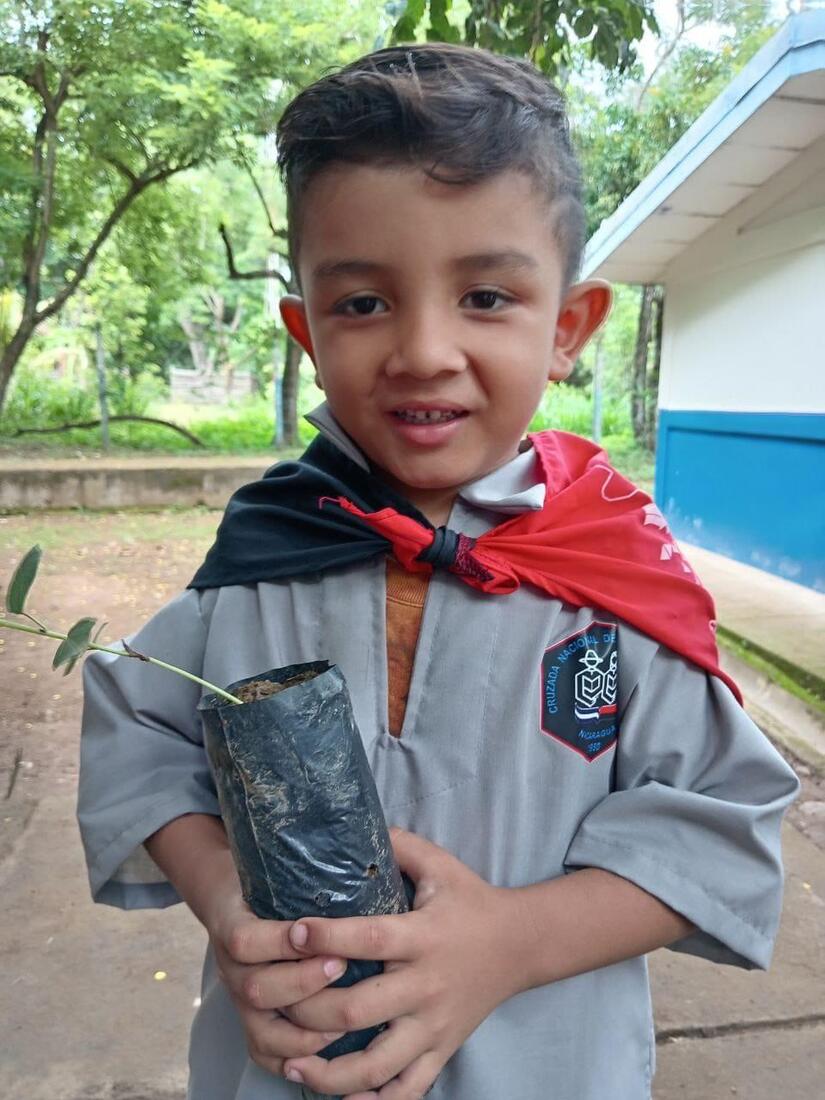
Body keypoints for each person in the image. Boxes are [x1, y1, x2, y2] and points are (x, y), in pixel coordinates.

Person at [78, 43, 799, 1100]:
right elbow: (140, 730)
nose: (422, 349)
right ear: (307, 331)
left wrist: (512, 940)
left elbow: (723, 822)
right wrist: (222, 893)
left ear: (567, 327)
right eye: (363, 303)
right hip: (286, 1070)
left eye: (486, 296)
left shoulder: (611, 574)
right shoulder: (260, 561)